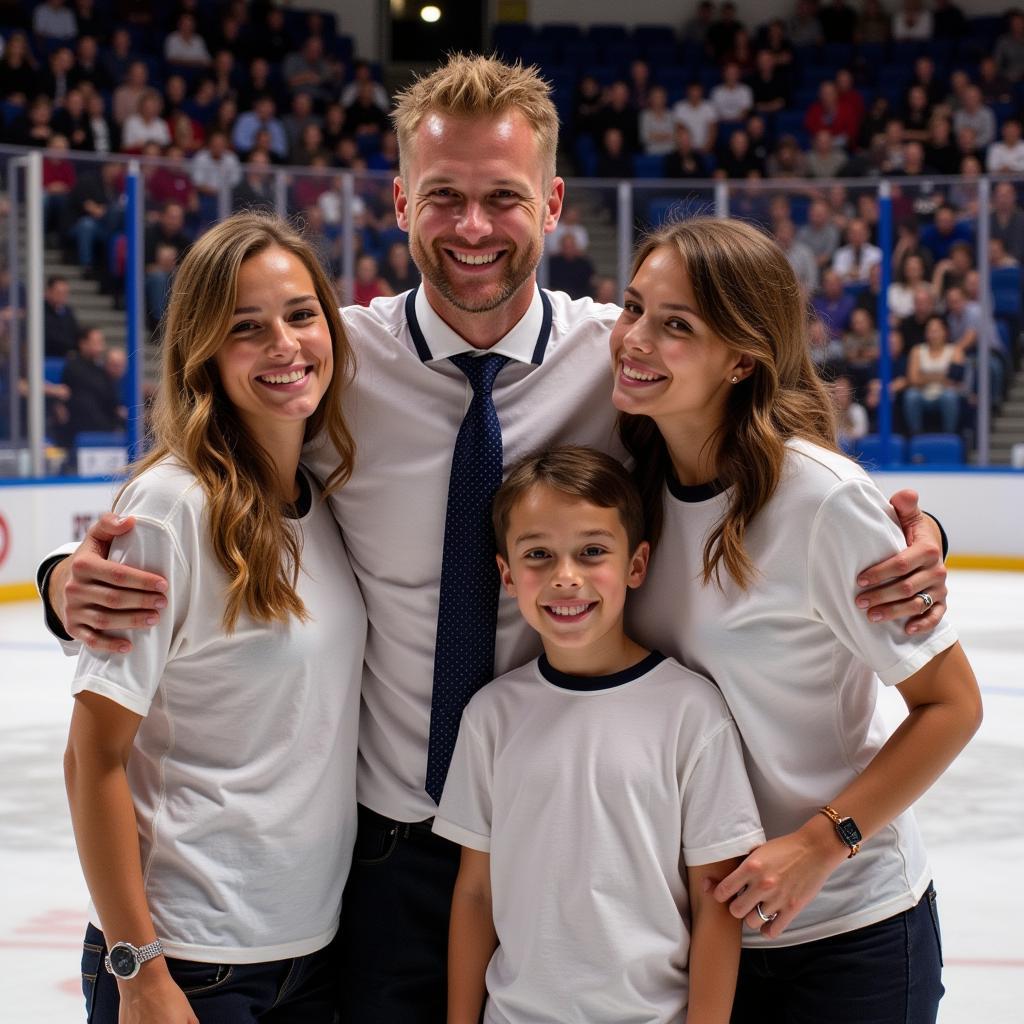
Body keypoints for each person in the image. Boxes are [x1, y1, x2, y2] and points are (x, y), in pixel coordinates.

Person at [40, 55, 951, 1024]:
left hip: (576, 842)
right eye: (443, 197)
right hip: (381, 854)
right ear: (398, 200)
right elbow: (206, 473)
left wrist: (912, 537)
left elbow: (765, 443)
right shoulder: (329, 360)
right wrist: (64, 582)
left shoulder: (622, 361)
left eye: (502, 198)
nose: (472, 228)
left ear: (553, 202)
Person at [613, 217, 981, 1023]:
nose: (634, 339)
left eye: (676, 326)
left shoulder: (818, 499)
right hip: (701, 933)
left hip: (850, 934)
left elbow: (952, 706)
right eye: (633, 308)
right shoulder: (630, 481)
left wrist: (820, 842)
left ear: (742, 359)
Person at [63, 213, 366, 1023]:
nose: (284, 344)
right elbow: (91, 761)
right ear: (202, 351)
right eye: (246, 327)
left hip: (312, 954)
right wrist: (140, 972)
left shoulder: (324, 496)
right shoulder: (170, 508)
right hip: (191, 965)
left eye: (301, 315)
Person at [437, 446, 764, 1024]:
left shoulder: (691, 710)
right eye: (538, 554)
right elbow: (475, 894)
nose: (566, 578)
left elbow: (717, 903)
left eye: (592, 552)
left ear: (636, 565)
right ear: (507, 575)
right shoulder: (491, 715)